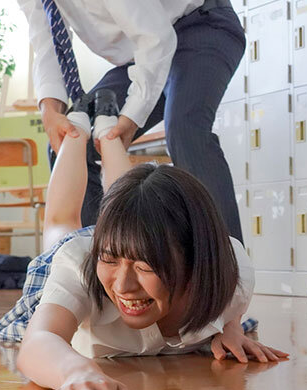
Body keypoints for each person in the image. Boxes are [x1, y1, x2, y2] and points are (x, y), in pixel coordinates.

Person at [0, 92, 288, 390]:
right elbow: (38, 341)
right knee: (62, 224)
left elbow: (232, 306)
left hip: (127, 242)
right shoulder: (80, 264)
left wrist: (231, 328)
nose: (123, 286)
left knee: (135, 207)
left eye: (145, 267)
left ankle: (107, 129)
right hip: (91, 252)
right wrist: (74, 370)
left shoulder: (232, 270)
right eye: (112, 262)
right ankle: (79, 127)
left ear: (197, 260)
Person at [18, 0, 245, 242]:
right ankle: (103, 254)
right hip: (141, 55)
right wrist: (50, 110)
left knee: (185, 131)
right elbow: (47, 42)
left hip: (200, 26)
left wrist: (132, 116)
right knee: (68, 142)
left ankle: (226, 258)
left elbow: (157, 38)